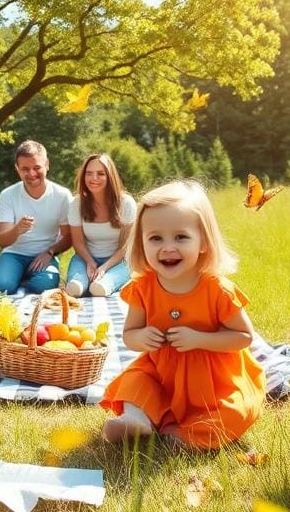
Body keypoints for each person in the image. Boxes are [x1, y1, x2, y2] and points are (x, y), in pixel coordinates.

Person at [99, 180, 265, 449]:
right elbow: (129, 335)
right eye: (156, 238)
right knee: (135, 379)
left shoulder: (216, 289)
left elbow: (244, 336)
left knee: (236, 412)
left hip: (213, 382)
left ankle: (183, 435)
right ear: (141, 243)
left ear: (203, 242)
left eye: (181, 237)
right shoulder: (144, 287)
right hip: (163, 373)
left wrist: (199, 339)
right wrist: (142, 337)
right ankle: (136, 419)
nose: (167, 247)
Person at [0, 140, 72, 295]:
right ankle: (12, 277)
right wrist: (17, 230)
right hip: (14, 254)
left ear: (47, 165)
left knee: (43, 286)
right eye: (25, 169)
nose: (31, 174)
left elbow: (68, 237)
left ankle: (20, 278)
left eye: (37, 167)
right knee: (2, 287)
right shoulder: (8, 195)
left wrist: (50, 252)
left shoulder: (62, 195)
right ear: (18, 169)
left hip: (44, 254)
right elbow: (2, 242)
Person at [65, 153, 135, 297]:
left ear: (110, 176)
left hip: (119, 262)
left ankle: (104, 282)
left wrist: (104, 268)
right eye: (89, 173)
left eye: (100, 174)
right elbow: (78, 243)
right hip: (85, 259)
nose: (94, 178)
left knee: (99, 289)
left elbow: (125, 247)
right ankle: (85, 281)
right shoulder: (76, 203)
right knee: (74, 289)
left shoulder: (127, 203)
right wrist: (90, 263)